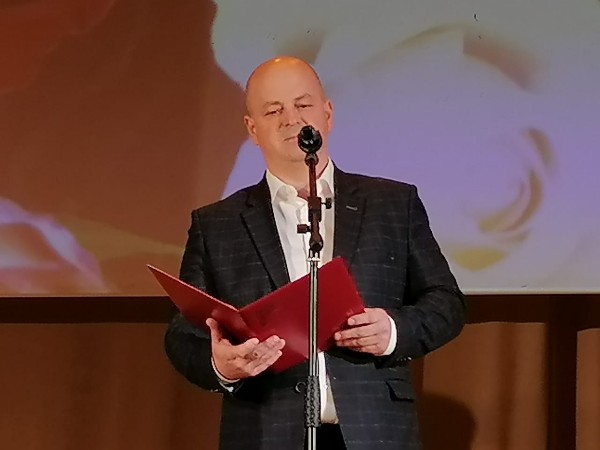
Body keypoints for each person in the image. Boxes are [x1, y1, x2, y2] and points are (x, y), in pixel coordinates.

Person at [164, 56, 466, 450]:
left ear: (327, 114)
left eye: (303, 104)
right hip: (264, 433)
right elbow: (183, 335)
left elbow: (446, 302)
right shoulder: (217, 224)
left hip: (375, 432)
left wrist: (393, 331)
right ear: (252, 129)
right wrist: (221, 364)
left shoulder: (393, 203)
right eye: (273, 110)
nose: (291, 119)